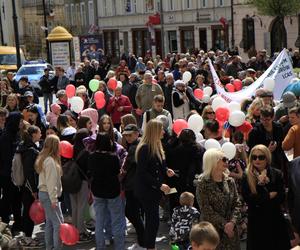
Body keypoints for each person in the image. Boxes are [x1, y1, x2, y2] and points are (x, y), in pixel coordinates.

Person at [241, 144, 291, 250]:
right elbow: (249, 199)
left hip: (275, 220)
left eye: (261, 157)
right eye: (254, 157)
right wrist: (267, 196)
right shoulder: (247, 175)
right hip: (257, 222)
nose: (257, 160)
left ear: (267, 158)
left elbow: (281, 197)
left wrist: (260, 198)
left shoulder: (276, 174)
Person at [135, 119, 175, 250]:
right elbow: (142, 173)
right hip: (147, 191)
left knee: (153, 221)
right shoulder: (144, 148)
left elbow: (158, 165)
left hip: (154, 191)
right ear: (155, 131)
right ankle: (150, 247)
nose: (164, 131)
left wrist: (166, 170)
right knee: (152, 221)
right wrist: (159, 185)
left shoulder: (157, 145)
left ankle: (150, 246)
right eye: (161, 129)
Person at [196, 148, 241, 250]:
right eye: (224, 159)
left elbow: (237, 203)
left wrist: (232, 222)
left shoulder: (230, 181)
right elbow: (205, 209)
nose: (227, 162)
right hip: (211, 233)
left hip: (231, 233)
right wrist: (225, 225)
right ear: (213, 161)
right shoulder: (202, 183)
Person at [88, 132, 125, 250]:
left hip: (97, 191)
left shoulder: (92, 156)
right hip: (112, 191)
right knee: (117, 220)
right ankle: (119, 247)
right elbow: (117, 172)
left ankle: (100, 247)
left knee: (99, 221)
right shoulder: (113, 157)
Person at [16, 125, 43, 248]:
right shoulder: (30, 150)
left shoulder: (23, 146)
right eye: (39, 133)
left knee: (26, 211)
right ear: (33, 135)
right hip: (29, 187)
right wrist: (33, 190)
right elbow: (29, 172)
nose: (41, 135)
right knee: (28, 212)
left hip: (24, 186)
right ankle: (27, 238)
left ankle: (26, 236)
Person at [36, 135, 63, 250]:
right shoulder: (51, 161)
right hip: (48, 195)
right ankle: (56, 247)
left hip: (44, 194)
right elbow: (51, 183)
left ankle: (49, 247)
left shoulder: (44, 158)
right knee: (58, 224)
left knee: (50, 223)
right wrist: (54, 200)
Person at [121, 124, 144, 250]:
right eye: (126, 136)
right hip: (136, 184)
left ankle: (143, 241)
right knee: (135, 213)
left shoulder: (134, 147)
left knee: (131, 212)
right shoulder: (139, 144)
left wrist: (121, 175)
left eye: (130, 135)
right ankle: (142, 239)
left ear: (136, 133)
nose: (128, 138)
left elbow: (126, 167)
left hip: (132, 185)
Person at [0, 112, 23, 234]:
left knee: (17, 200)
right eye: (19, 121)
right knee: (8, 198)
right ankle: (4, 222)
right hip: (7, 174)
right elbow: (7, 157)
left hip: (16, 173)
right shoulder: (6, 137)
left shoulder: (16, 134)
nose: (21, 124)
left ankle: (17, 223)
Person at [70, 128, 93, 242]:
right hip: (82, 181)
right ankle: (80, 233)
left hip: (71, 181)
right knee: (81, 207)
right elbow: (89, 168)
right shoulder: (86, 151)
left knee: (74, 207)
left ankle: (74, 230)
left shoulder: (71, 148)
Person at [247, 105, 285, 171]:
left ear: (273, 117)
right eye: (262, 119)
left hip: (277, 162)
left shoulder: (279, 128)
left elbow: (281, 144)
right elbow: (252, 150)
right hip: (260, 163)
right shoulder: (255, 131)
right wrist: (267, 150)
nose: (264, 122)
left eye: (267, 119)